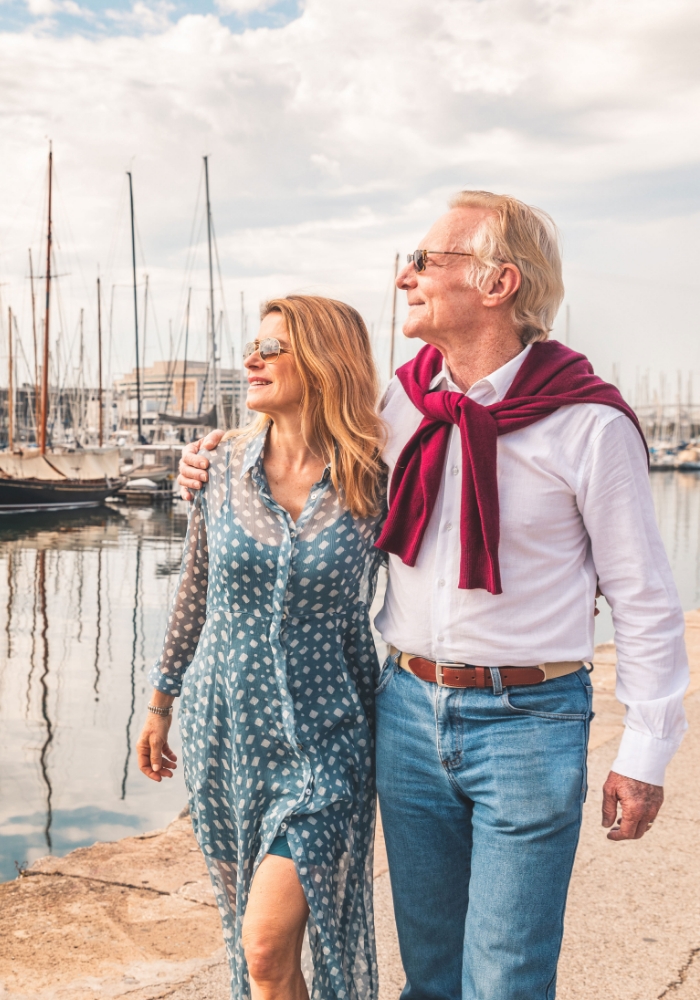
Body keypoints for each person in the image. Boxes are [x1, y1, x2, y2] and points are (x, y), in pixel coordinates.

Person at [178, 191, 689, 1000]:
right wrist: (206, 458)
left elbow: (644, 599)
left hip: (531, 723)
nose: (404, 279)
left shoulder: (589, 426)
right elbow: (297, 445)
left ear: (499, 284)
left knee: (506, 979)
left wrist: (646, 752)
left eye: (424, 261)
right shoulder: (397, 407)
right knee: (433, 978)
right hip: (407, 711)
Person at [138, 295, 387, 1000]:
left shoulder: (375, 480)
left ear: (324, 362)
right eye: (254, 345)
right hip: (228, 738)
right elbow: (196, 587)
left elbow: (432, 593)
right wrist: (160, 704)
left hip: (328, 740)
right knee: (258, 959)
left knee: (266, 940)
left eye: (272, 348)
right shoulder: (217, 467)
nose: (251, 360)